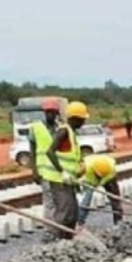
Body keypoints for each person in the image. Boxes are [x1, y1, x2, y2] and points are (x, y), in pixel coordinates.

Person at [43, 100, 89, 238]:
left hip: (68, 180)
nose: (84, 123)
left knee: (73, 211)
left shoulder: (71, 133)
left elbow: (72, 158)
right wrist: (62, 172)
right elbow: (50, 151)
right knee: (65, 212)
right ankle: (59, 241)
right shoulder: (63, 131)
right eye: (82, 120)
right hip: (59, 179)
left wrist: (78, 173)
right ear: (75, 119)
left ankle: (68, 240)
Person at [29, 98, 60, 237]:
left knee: (59, 201)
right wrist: (34, 170)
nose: (50, 115)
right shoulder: (36, 128)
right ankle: (49, 230)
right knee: (49, 202)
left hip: (58, 171)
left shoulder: (60, 128)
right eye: (48, 112)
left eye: (53, 112)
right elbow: (32, 150)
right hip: (44, 171)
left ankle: (58, 227)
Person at [77, 154, 123, 228]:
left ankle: (118, 221)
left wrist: (101, 183)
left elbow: (107, 178)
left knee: (115, 199)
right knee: (87, 196)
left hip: (108, 177)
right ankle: (80, 220)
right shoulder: (87, 166)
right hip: (94, 172)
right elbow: (92, 182)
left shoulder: (111, 170)